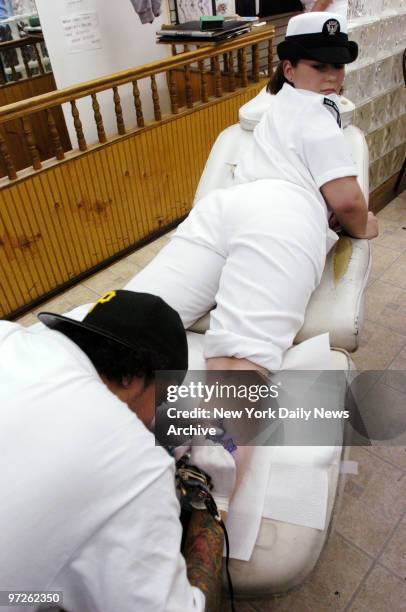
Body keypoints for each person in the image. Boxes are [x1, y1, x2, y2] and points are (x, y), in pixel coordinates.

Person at [124, 11, 378, 378]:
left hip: (224, 207)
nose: (331, 76)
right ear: (289, 69)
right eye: (319, 65)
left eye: (337, 66)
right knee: (240, 359)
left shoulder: (277, 107)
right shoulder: (321, 116)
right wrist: (362, 227)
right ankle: (226, 436)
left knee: (132, 320)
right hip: (281, 216)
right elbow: (348, 201)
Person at [0, 289, 236, 612]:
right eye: (161, 400)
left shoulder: (11, 336)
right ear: (133, 378)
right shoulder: (135, 463)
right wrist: (214, 501)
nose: (154, 419)